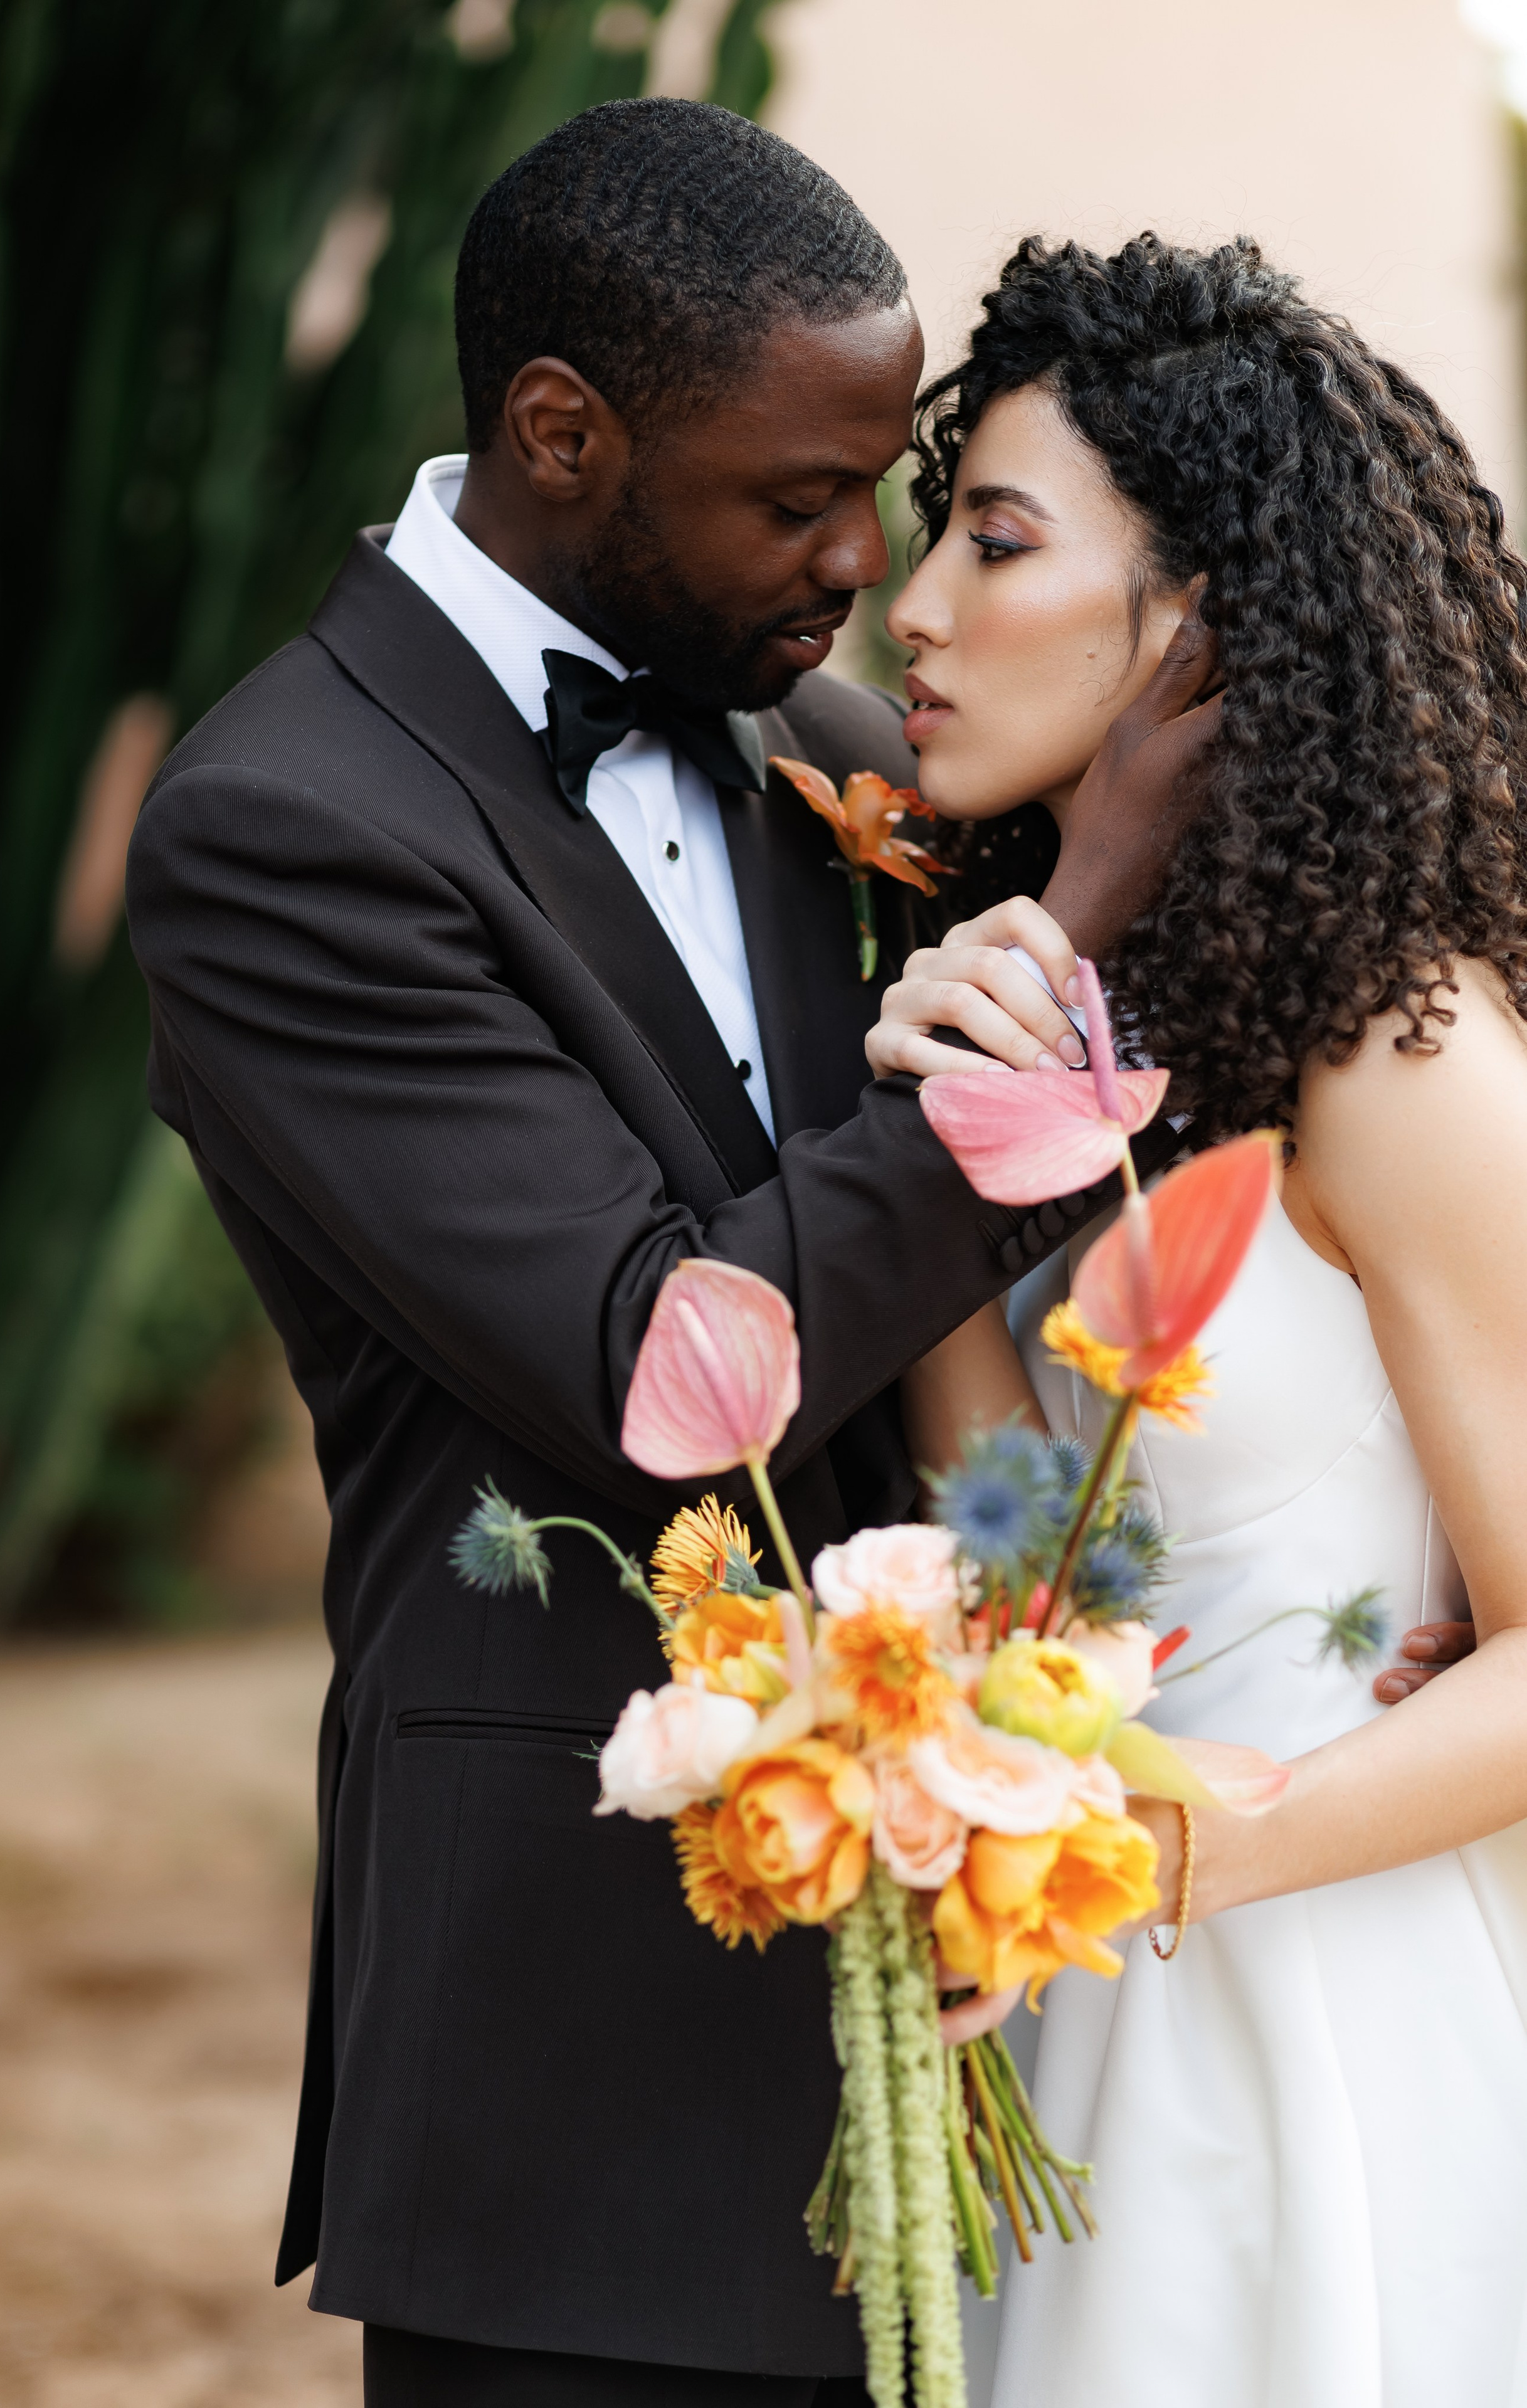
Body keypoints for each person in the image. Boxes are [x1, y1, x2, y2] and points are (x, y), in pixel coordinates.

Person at [124, 104, 1222, 2407]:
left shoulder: (819, 737)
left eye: (888, 491)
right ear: (561, 435)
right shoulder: (281, 826)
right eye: (795, 499)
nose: (864, 564)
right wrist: (1080, 917)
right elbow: (659, 1366)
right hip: (582, 2061)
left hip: (977, 1995)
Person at [867, 231, 1527, 2406]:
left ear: (1203, 629)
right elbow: (1012, 1560)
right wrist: (950, 1132)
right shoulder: (1080, 1011)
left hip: (1309, 2020)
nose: (918, 613)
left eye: (996, 542)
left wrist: (1140, 1847)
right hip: (1046, 2015)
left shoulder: (1395, 1046)